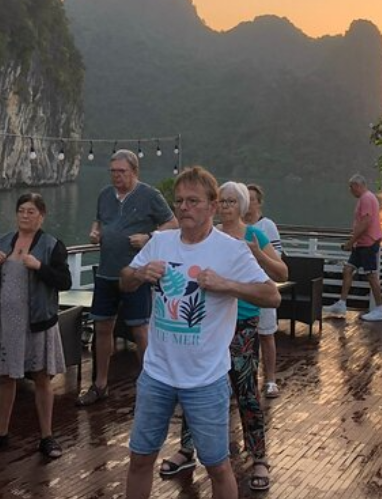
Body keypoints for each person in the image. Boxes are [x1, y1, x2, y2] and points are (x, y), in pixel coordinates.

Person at [121, 166, 280, 499]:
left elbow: (272, 294)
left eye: (193, 201)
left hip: (206, 379)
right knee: (140, 458)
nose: (184, 207)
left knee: (218, 466)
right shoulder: (160, 241)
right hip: (157, 374)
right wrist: (139, 274)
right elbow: (125, 279)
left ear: (212, 205)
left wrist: (227, 284)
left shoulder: (231, 249)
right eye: (179, 201)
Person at [160, 181, 287, 491]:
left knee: (246, 392)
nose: (227, 206)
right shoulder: (208, 235)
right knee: (194, 385)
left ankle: (258, 457)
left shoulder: (254, 234)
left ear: (242, 205)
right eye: (223, 201)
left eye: (233, 201)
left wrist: (258, 255)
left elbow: (282, 273)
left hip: (242, 324)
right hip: (207, 324)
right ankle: (187, 449)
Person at [0, 193, 72, 458]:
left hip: (36, 323)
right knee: (5, 378)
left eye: (31, 212)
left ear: (42, 216)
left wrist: (39, 266)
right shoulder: (4, 242)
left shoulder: (52, 245)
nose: (26, 216)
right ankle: (0, 432)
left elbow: (65, 282)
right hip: (7, 324)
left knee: (41, 378)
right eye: (22, 211)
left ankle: (47, 437)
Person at [77, 149, 178, 407]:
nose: (116, 176)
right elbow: (99, 221)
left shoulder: (150, 195)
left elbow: (172, 224)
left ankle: (150, 386)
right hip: (106, 273)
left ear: (134, 171)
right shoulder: (105, 195)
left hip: (136, 272)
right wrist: (94, 231)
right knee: (102, 327)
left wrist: (149, 237)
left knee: (139, 330)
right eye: (113, 171)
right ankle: (100, 384)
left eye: (121, 171)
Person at [324, 174, 382, 322]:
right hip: (361, 243)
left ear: (358, 185)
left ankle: (379, 309)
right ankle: (342, 303)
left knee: (371, 275)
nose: (350, 190)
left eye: (351, 187)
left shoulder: (366, 199)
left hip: (368, 243)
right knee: (348, 269)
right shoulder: (366, 198)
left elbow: (365, 223)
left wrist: (351, 242)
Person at [244, 183, 283, 398]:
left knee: (266, 334)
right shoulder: (236, 226)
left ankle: (270, 380)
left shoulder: (267, 226)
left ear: (259, 202)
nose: (247, 203)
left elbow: (277, 259)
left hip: (263, 285)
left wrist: (258, 255)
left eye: (251, 199)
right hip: (242, 290)